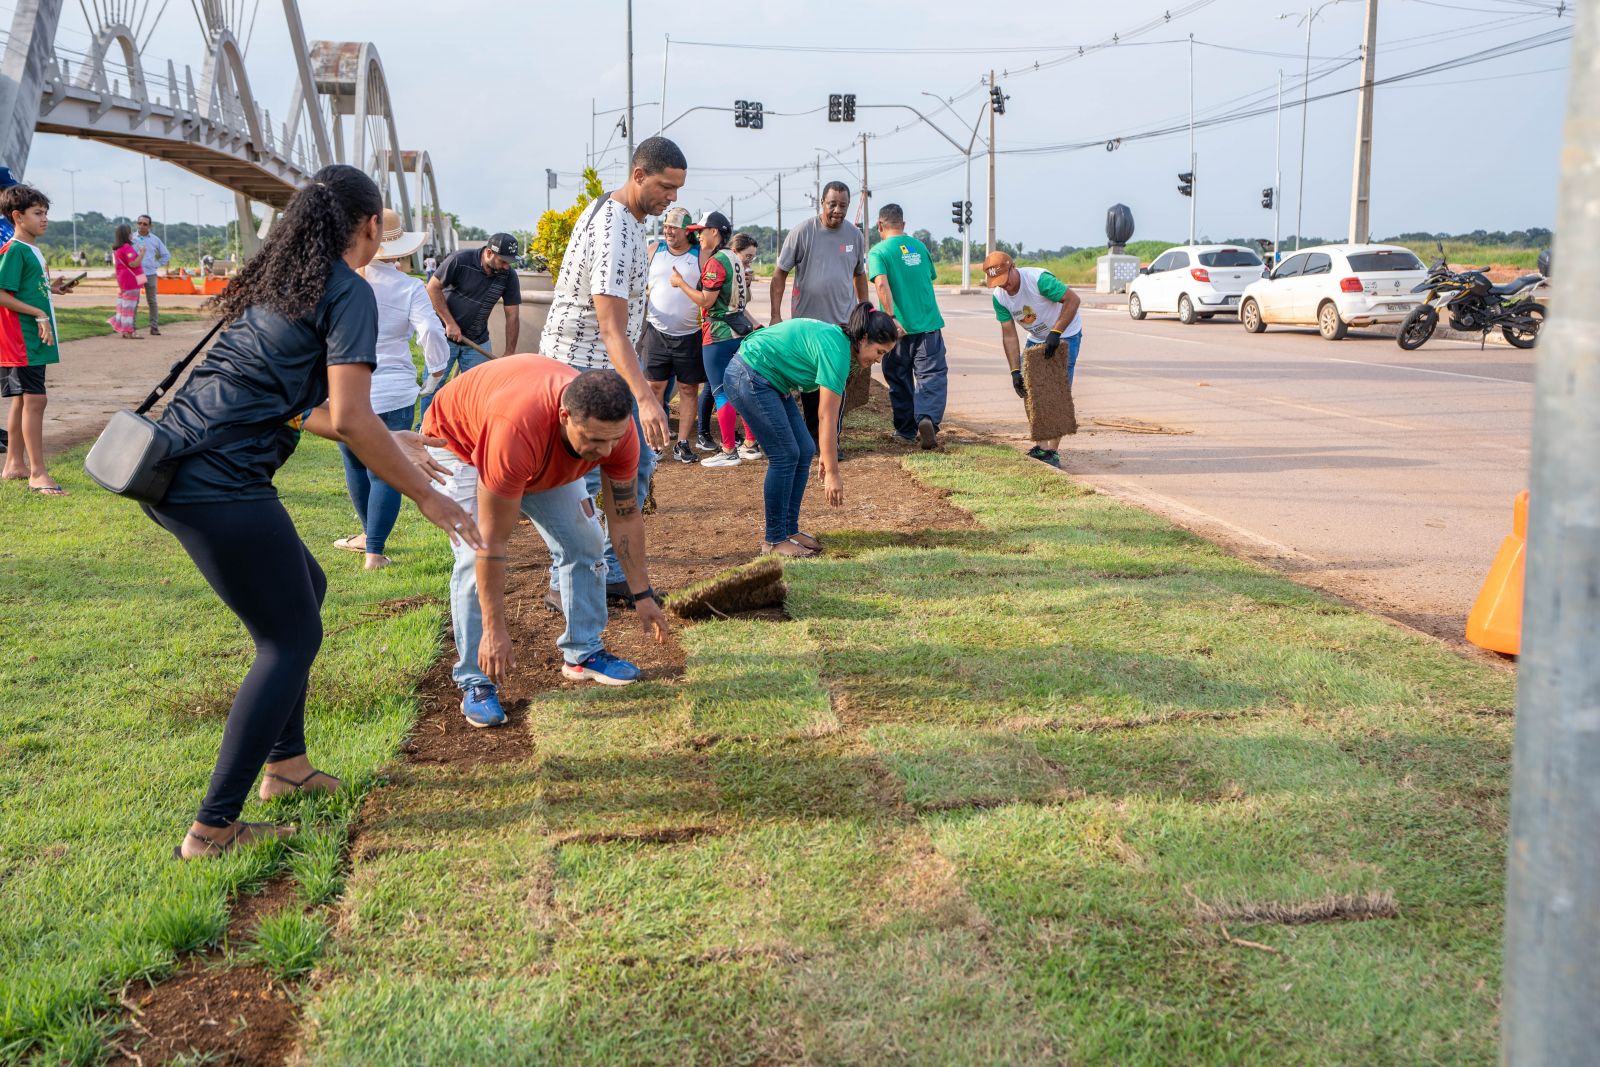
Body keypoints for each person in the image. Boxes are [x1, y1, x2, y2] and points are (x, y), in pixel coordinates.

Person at [146, 164, 481, 860]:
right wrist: (425, 492)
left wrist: (399, 438)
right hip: (221, 482)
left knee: (310, 592)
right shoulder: (347, 291)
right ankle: (212, 829)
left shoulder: (279, 283)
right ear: (368, 227)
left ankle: (289, 769)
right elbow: (353, 419)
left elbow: (307, 408)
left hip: (179, 467)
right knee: (288, 640)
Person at [424, 356, 669, 725]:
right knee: (471, 558)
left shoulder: (616, 434)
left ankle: (583, 653)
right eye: (594, 440)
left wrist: (643, 596)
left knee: (584, 542)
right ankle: (476, 680)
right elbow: (491, 544)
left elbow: (624, 516)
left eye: (612, 440)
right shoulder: (516, 432)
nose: (605, 452)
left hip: (538, 449)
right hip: (462, 445)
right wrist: (495, 630)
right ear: (565, 416)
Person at [540, 135, 686, 603]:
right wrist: (645, 398)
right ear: (638, 175)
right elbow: (611, 329)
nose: (672, 199)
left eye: (678, 189)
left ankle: (609, 566)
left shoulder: (622, 215)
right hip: (578, 367)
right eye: (666, 186)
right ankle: (566, 581)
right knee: (579, 475)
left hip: (603, 364)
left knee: (638, 458)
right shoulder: (615, 232)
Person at [723, 304, 898, 557]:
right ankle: (774, 541)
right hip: (749, 374)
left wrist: (826, 457)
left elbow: (830, 410)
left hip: (771, 380)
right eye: (879, 351)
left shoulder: (844, 348)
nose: (879, 359)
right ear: (863, 339)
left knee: (804, 449)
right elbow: (825, 416)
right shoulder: (837, 352)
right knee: (785, 455)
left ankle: (789, 531)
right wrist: (833, 473)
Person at [332, 208, 449, 570]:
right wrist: (436, 371)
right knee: (384, 469)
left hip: (343, 387)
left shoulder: (341, 280)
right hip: (394, 388)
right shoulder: (409, 286)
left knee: (354, 463)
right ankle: (374, 551)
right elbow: (429, 332)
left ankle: (369, 537)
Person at [769, 181, 868, 447]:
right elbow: (779, 275)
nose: (837, 210)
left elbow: (860, 275)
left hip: (842, 324)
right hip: (808, 325)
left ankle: (830, 441)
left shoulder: (854, 236)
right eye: (832, 204)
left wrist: (865, 309)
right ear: (821, 203)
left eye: (843, 205)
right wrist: (775, 315)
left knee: (836, 382)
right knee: (811, 383)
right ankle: (813, 437)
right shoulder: (802, 232)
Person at [672, 210, 758, 469]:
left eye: (701, 231)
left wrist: (680, 283)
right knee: (743, 389)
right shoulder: (735, 258)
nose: (698, 236)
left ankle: (729, 449)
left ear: (715, 232)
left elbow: (707, 300)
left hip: (718, 335)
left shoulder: (716, 261)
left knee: (721, 391)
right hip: (739, 331)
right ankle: (751, 444)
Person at [982, 250, 1083, 469]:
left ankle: (1052, 452)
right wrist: (1014, 372)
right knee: (1030, 391)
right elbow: (1009, 334)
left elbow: (1073, 300)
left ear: (1013, 267)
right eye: (997, 283)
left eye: (1005, 280)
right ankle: (1040, 445)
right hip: (1036, 337)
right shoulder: (999, 297)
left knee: (1056, 392)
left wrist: (1056, 332)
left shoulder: (1039, 281)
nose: (1004, 287)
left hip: (1065, 334)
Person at [0, 184, 65, 495]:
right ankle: (38, 474)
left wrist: (54, 289)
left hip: (30, 341)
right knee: (36, 400)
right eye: (38, 213)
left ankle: (14, 464)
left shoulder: (31, 250)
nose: (45, 219)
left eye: (46, 213)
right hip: (21, 339)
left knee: (23, 400)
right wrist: (38, 314)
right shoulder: (14, 250)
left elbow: (25, 287)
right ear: (17, 216)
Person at [418, 233, 522, 424]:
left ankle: (467, 434)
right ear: (489, 252)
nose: (507, 266)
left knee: (479, 392)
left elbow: (512, 315)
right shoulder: (460, 260)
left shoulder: (508, 276)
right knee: (433, 388)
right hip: (443, 338)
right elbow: (433, 288)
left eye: (510, 262)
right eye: (503, 261)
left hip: (477, 340)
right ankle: (425, 431)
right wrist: (449, 323)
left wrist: (509, 352)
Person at [867, 205, 947, 450]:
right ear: (903, 224)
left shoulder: (878, 252)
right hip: (929, 325)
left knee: (899, 379)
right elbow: (927, 277)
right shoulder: (919, 247)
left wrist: (890, 317)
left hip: (897, 331)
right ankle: (927, 420)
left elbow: (881, 283)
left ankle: (905, 430)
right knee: (931, 376)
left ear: (880, 226)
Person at [641, 205, 704, 465]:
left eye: (673, 228)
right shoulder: (654, 250)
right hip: (656, 331)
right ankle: (656, 443)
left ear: (687, 232)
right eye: (666, 226)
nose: (667, 231)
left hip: (689, 334)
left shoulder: (700, 255)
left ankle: (682, 443)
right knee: (654, 387)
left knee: (689, 389)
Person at [135, 214, 171, 336]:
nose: (142, 226)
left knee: (152, 301)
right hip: (138, 273)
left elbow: (166, 255)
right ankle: (131, 326)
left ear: (150, 226)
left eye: (145, 224)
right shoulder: (132, 238)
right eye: (140, 223)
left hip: (150, 274)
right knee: (134, 300)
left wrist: (156, 264)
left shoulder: (155, 239)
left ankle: (154, 327)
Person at [108, 224, 145, 339]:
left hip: (125, 279)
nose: (132, 234)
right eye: (130, 232)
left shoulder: (118, 248)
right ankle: (129, 331)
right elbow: (133, 263)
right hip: (131, 280)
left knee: (124, 306)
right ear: (126, 234)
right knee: (130, 307)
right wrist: (142, 253)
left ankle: (125, 330)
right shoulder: (126, 247)